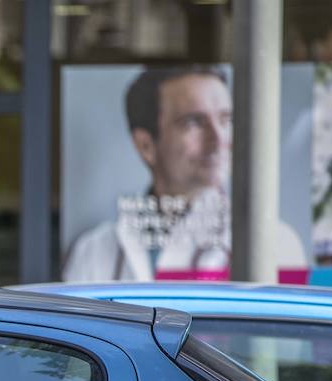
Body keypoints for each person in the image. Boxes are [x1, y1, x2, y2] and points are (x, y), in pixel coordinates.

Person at [63, 65, 306, 281]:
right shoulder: (93, 250)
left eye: (225, 120)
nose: (219, 140)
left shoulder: (275, 242)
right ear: (146, 146)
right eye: (194, 122)